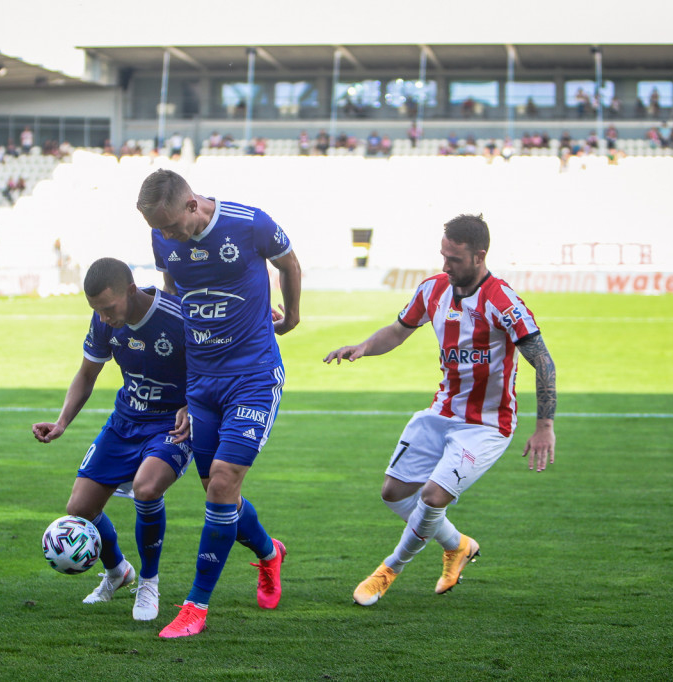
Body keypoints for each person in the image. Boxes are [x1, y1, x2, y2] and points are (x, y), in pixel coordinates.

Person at [323, 213, 556, 606]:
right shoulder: (432, 289)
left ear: (480, 256)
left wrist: (544, 425)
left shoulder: (503, 301)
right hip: (441, 413)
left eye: (455, 259)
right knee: (394, 493)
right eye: (443, 256)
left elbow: (544, 361)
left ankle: (389, 570)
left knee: (433, 497)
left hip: (486, 425)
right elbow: (398, 330)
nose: (446, 265)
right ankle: (458, 546)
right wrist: (363, 346)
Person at [136, 168, 302, 638]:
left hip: (251, 377)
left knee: (224, 482)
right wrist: (183, 390)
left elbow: (290, 263)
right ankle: (269, 552)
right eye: (157, 229)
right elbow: (173, 300)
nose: (166, 235)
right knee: (216, 490)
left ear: (192, 204)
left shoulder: (249, 224)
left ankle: (196, 606)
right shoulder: (162, 238)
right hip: (202, 384)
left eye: (169, 225)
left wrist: (290, 318)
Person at [32, 257, 193, 622]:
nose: (103, 318)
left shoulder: (178, 317)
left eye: (108, 308)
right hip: (125, 421)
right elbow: (87, 375)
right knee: (79, 509)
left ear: (131, 290)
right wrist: (61, 423)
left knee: (147, 488)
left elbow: (214, 366)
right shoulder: (105, 320)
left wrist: (192, 404)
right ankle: (118, 570)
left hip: (172, 424)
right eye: (96, 311)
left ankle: (149, 583)